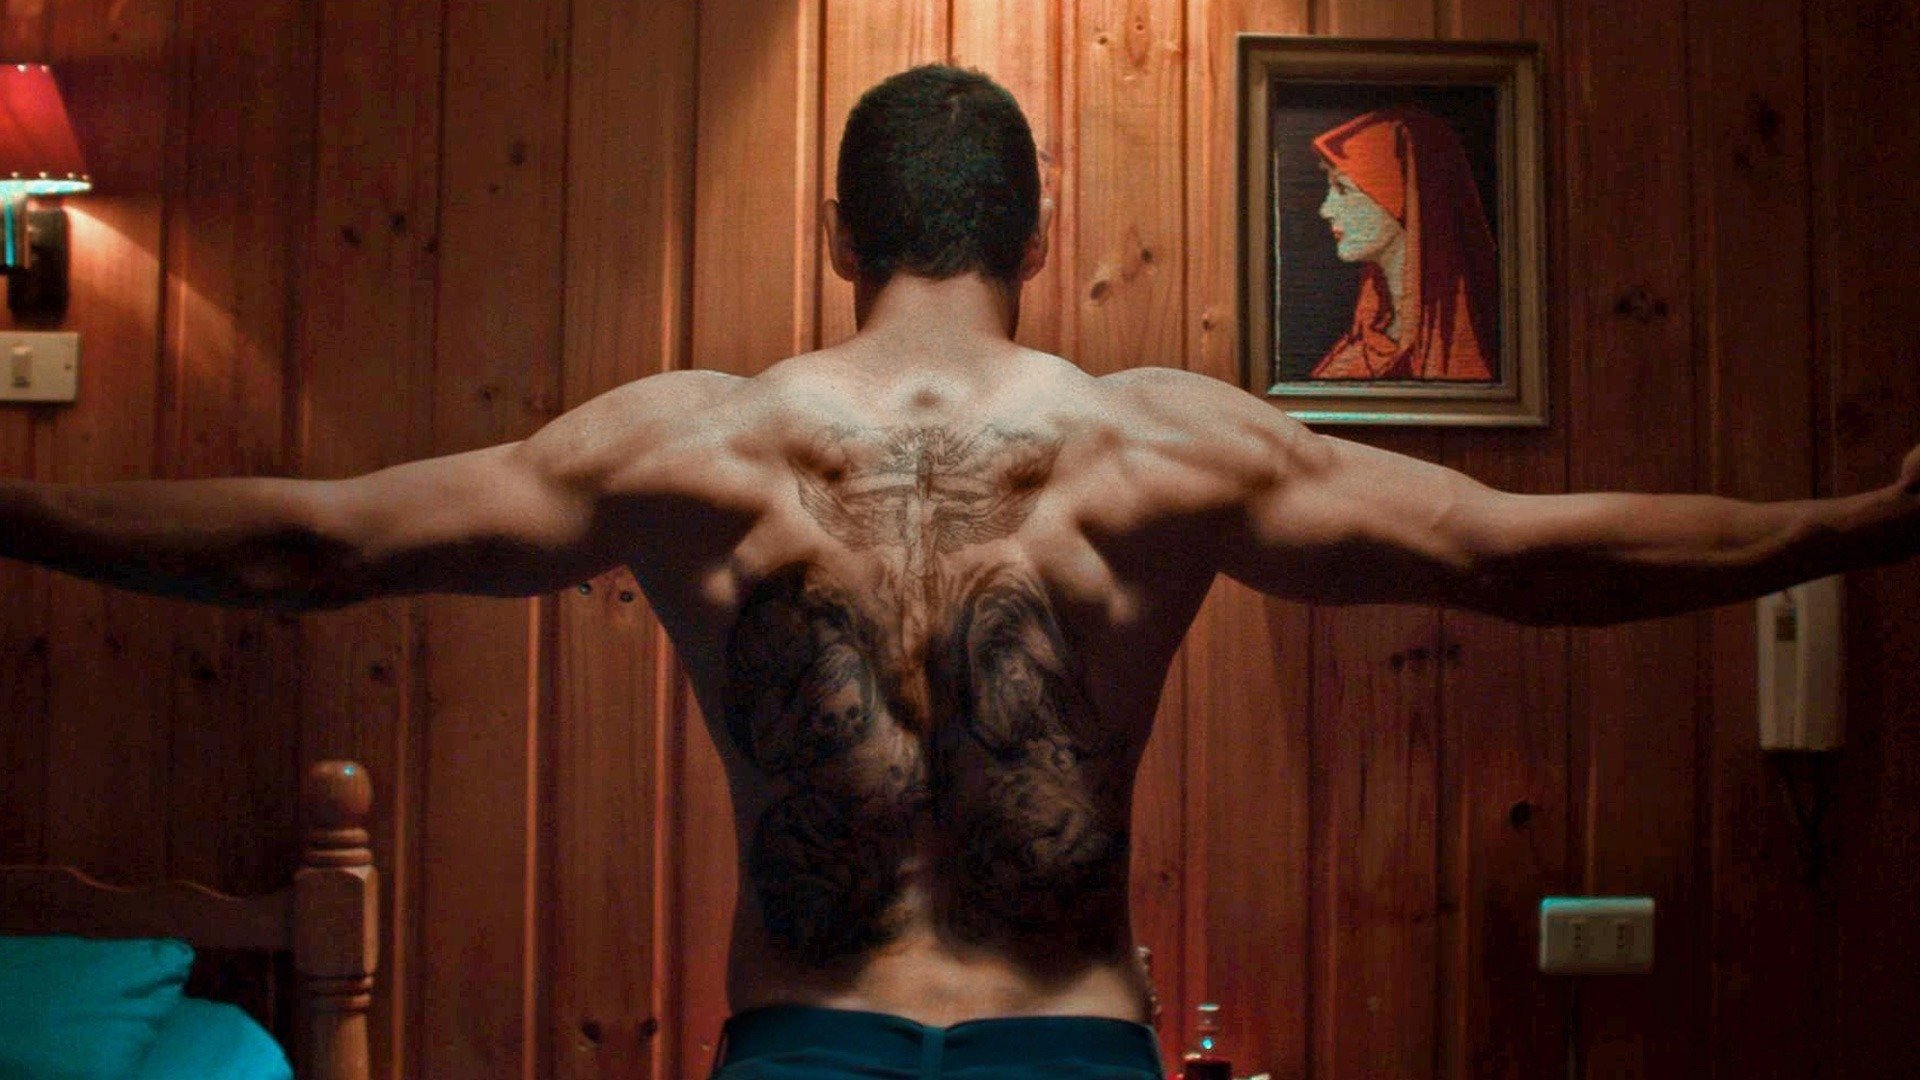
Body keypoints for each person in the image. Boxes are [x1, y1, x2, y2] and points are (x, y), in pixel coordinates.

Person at [1, 64, 1915, 1079]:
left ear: (839, 233)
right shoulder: (1157, 445)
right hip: (1065, 1051)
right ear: (1035, 235)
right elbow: (1516, 559)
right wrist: (1844, 528)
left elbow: (313, 540)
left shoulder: (699, 446)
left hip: (802, 1048)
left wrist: (20, 514)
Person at [1310, 105, 1499, 382]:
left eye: (1344, 189)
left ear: (1404, 195)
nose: (1325, 210)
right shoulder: (1362, 344)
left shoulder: (1463, 350)